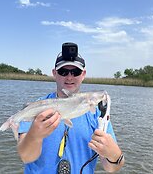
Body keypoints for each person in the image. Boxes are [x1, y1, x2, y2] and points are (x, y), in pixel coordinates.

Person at [17, 42, 124, 173]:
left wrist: (114, 155)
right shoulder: (36, 108)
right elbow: (26, 157)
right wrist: (35, 135)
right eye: (63, 71)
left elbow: (112, 168)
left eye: (75, 72)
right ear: (54, 73)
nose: (69, 77)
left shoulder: (97, 115)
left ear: (83, 74)